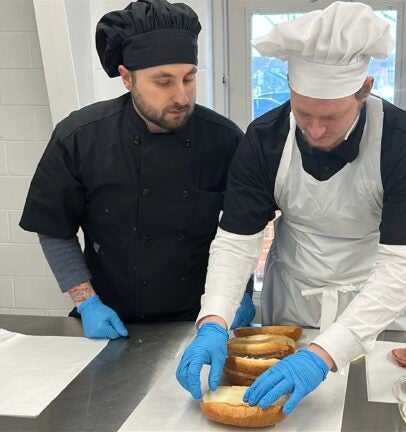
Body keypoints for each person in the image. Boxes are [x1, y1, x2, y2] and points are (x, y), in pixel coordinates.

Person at [176, 1, 406, 415]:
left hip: (375, 306)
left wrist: (323, 355)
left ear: (364, 90)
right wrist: (214, 318)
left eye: (330, 116)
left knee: (375, 417)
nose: (314, 130)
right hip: (293, 302)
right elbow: (236, 242)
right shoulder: (264, 139)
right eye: (303, 112)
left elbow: (401, 265)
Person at [19, 0, 254, 340]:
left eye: (189, 78)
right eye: (163, 82)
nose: (182, 96)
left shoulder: (225, 140)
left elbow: (242, 228)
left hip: (202, 321)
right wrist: (86, 302)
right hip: (111, 316)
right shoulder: (80, 137)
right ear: (127, 78)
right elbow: (54, 228)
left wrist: (240, 295)